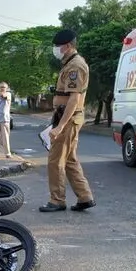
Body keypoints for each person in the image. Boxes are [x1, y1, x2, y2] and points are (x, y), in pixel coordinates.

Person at [39, 29, 96, 212]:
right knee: (70, 159)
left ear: (68, 46)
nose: (55, 49)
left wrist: (60, 126)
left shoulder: (75, 66)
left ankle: (57, 200)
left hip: (69, 119)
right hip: (67, 116)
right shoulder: (70, 63)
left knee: (55, 160)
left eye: (58, 46)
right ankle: (85, 196)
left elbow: (74, 98)